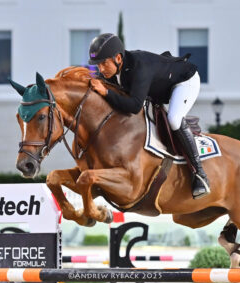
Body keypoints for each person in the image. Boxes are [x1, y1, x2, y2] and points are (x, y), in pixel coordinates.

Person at [87, 33, 210, 199]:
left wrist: (106, 92)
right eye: (97, 65)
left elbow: (134, 106)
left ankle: (200, 174)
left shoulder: (139, 67)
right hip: (160, 90)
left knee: (174, 119)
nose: (100, 69)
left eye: (103, 63)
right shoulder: (116, 69)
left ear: (117, 58)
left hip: (184, 81)